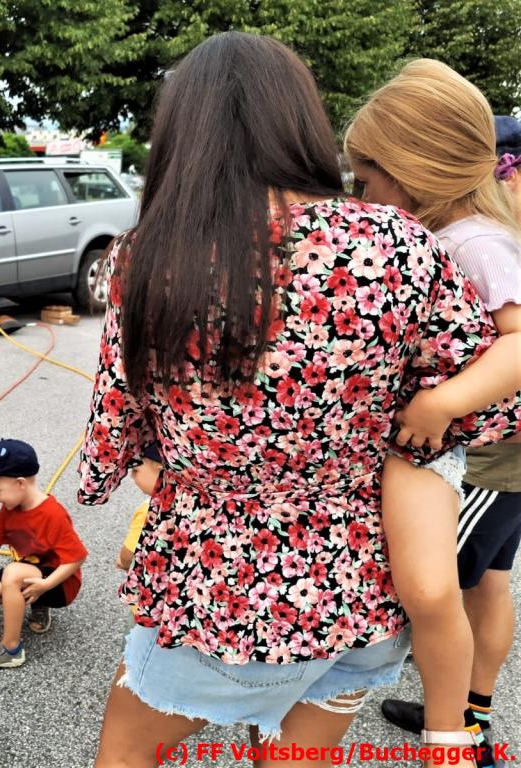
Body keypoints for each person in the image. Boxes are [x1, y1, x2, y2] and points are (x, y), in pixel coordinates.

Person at [76, 32, 520, 768]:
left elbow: (115, 417)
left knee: (125, 752)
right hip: (361, 589)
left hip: (222, 589)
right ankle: (453, 734)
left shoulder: (148, 253)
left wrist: (126, 468)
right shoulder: (400, 242)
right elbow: (483, 399)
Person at [343, 65, 521, 756]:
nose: (361, 197)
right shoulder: (467, 233)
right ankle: (465, 722)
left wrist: (441, 402)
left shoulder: (472, 242)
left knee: (432, 588)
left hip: (481, 457)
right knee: (484, 585)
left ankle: (457, 734)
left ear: (413, 168)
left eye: (367, 181)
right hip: (479, 452)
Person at [0, 438, 88, 669]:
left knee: (14, 573)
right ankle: (33, 602)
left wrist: (46, 585)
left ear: (20, 483)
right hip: (29, 574)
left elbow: (77, 557)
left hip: (60, 584)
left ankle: (11, 648)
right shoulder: (10, 508)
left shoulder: (53, 515)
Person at [116, 444, 162, 573]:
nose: (132, 476)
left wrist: (123, 562)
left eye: (136, 470)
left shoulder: (149, 510)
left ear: (161, 471)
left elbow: (130, 553)